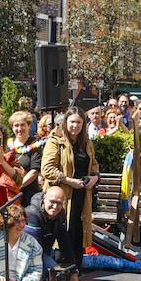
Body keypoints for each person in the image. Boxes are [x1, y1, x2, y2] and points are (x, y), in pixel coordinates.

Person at [41, 109, 100, 254]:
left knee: (78, 238)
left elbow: (94, 165)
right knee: (62, 240)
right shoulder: (55, 141)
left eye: (79, 122)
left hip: (82, 198)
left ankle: (76, 274)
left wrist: (95, 177)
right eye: (72, 121)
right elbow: (47, 169)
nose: (75, 125)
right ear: (65, 122)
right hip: (62, 198)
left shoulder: (86, 142)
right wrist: (68, 180)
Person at [25, 185, 82, 281]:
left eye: (59, 203)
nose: (55, 206)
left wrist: (74, 272)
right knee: (46, 276)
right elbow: (34, 253)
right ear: (44, 198)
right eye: (52, 201)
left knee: (57, 274)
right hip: (24, 254)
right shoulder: (32, 214)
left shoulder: (60, 214)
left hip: (42, 252)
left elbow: (65, 242)